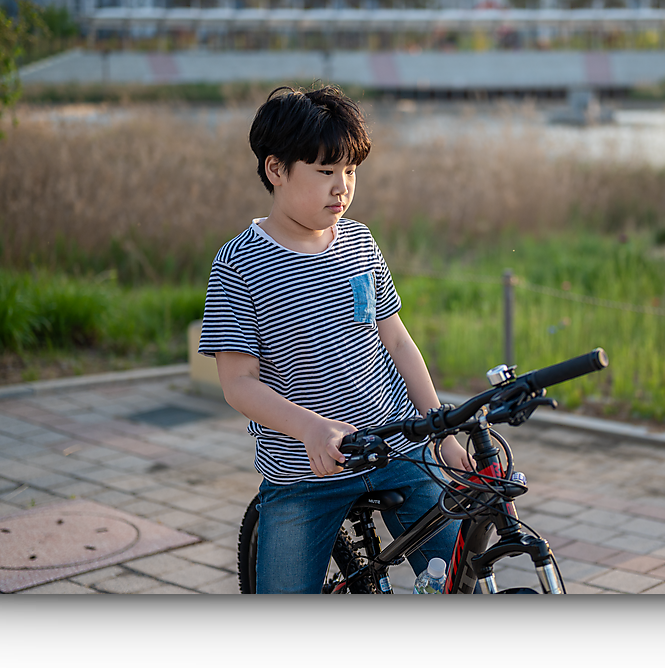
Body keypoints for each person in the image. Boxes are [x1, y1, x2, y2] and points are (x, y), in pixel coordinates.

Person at [198, 84, 470, 593]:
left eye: (350, 171)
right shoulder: (239, 264)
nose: (341, 188)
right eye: (325, 172)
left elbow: (396, 340)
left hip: (397, 449)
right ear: (276, 170)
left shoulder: (359, 242)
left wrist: (443, 433)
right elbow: (238, 383)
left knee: (461, 576)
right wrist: (311, 429)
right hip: (305, 475)